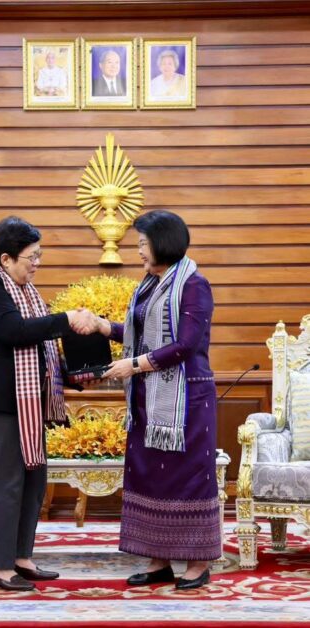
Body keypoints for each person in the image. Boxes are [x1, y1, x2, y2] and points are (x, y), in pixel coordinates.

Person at [0, 216, 94, 591]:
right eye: (32, 256)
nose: (37, 263)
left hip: (27, 402)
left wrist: (77, 375)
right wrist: (66, 318)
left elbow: (41, 351)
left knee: (33, 480)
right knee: (6, 481)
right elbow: (15, 332)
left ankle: (20, 557)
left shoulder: (27, 292)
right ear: (6, 258)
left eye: (39, 255)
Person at [96, 210, 220, 590]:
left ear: (163, 243)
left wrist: (132, 365)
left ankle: (198, 563)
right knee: (151, 478)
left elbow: (185, 345)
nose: (138, 251)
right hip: (148, 398)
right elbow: (139, 336)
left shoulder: (194, 285)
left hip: (187, 401)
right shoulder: (150, 285)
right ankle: (158, 561)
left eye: (143, 243)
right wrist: (103, 326)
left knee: (188, 479)